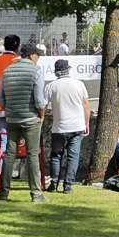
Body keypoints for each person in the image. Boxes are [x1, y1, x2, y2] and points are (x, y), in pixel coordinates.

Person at [0, 44, 49, 203]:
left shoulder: (7, 71)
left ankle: (3, 194)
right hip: (31, 119)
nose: (38, 59)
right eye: (37, 56)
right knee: (32, 155)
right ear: (32, 56)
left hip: (12, 119)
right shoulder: (36, 71)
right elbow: (40, 100)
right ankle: (36, 194)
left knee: (9, 155)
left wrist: (10, 109)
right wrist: (41, 115)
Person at [44, 60, 90, 194]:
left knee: (56, 155)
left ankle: (53, 183)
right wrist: (86, 123)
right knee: (73, 157)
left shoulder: (51, 86)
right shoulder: (79, 84)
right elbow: (86, 106)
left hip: (59, 126)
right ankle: (68, 185)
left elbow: (43, 106)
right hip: (76, 126)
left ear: (56, 72)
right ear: (68, 70)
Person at [0, 35, 20, 166]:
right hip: (15, 108)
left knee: (2, 140)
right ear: (17, 47)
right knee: (20, 141)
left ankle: (1, 173)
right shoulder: (18, 61)